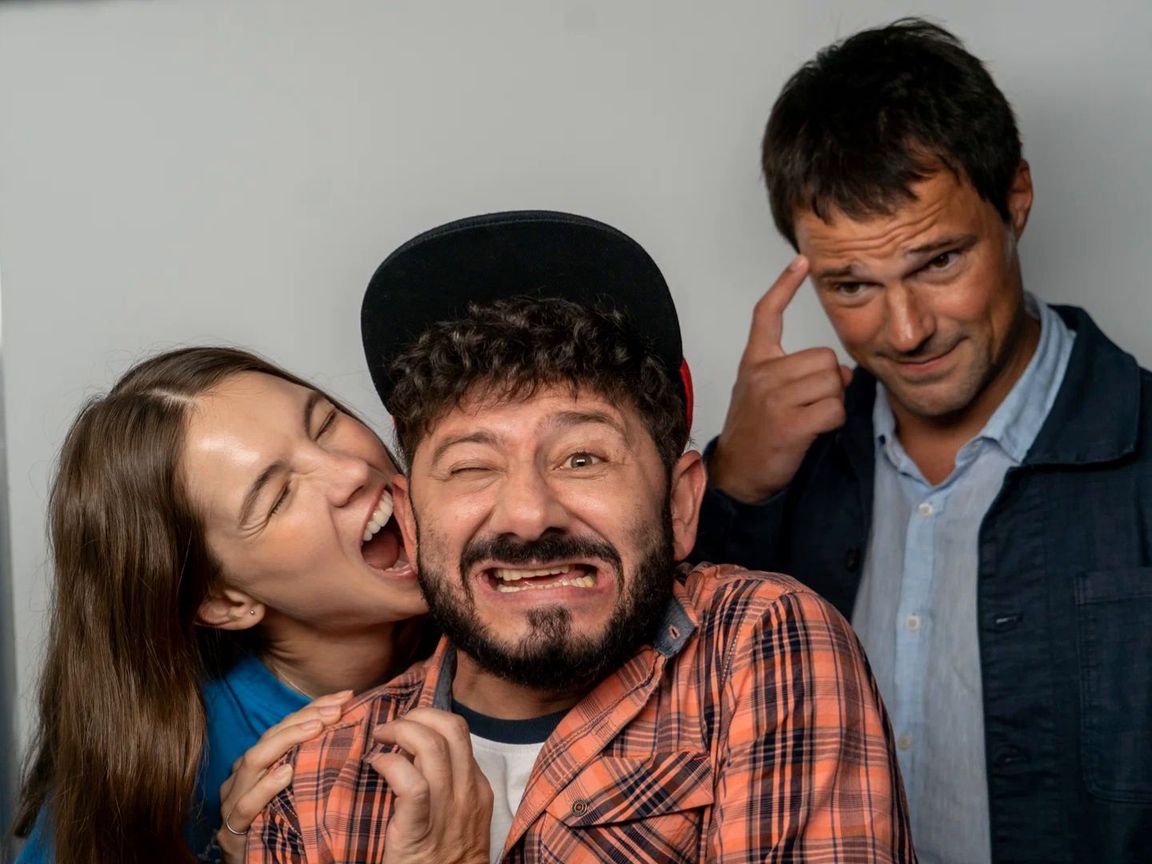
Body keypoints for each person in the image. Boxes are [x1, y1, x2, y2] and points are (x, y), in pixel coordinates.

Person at [247, 211, 915, 863]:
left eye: (582, 458)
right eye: (472, 467)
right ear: (412, 524)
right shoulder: (311, 787)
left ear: (680, 505)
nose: (528, 514)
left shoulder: (758, 644)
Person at [692, 18, 1152, 864]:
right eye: (852, 285)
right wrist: (735, 486)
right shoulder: (778, 469)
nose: (905, 332)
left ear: (1016, 198)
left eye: (938, 262)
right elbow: (666, 723)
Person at [11, 347, 446, 864]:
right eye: (278, 497)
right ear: (224, 601)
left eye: (325, 424)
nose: (350, 470)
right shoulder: (167, 766)